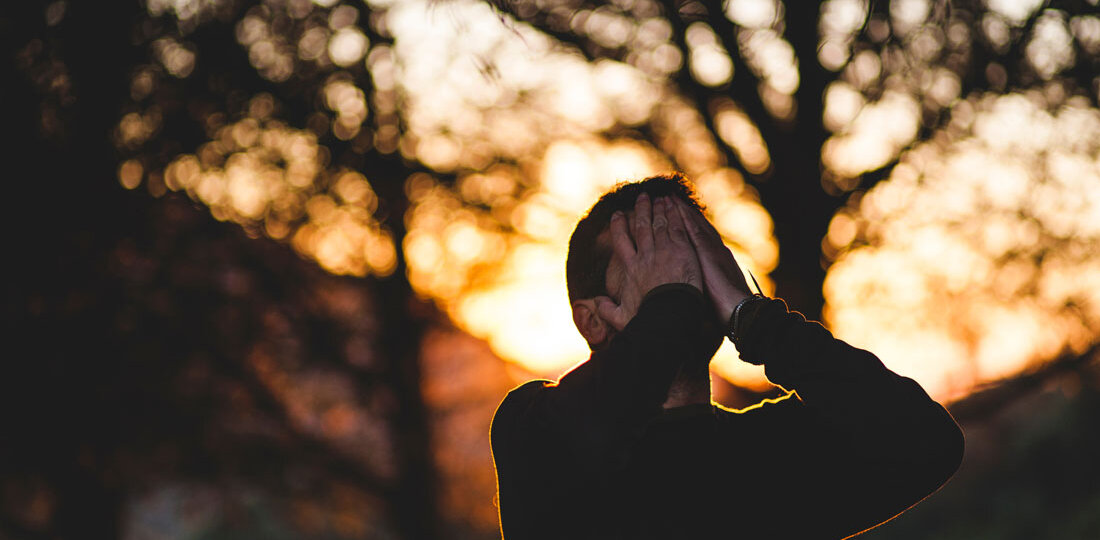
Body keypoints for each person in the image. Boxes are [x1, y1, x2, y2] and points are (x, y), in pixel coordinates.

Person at [490, 173, 964, 539]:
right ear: (591, 320)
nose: (684, 276)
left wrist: (753, 318)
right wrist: (670, 301)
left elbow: (928, 442)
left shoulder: (773, 452)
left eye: (694, 256)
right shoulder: (533, 430)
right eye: (654, 260)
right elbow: (595, 428)